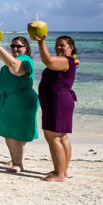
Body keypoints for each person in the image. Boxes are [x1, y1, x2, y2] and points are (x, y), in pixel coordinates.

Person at [31, 34, 78, 182]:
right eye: (57, 44)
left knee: (53, 137)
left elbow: (48, 61)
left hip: (58, 101)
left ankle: (60, 174)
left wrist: (41, 41)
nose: (58, 47)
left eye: (62, 45)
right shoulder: (67, 60)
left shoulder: (65, 60)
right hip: (59, 101)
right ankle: (62, 170)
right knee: (61, 136)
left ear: (71, 48)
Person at [0, 36, 39, 173]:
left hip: (20, 99)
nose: (15, 48)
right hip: (13, 98)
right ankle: (19, 160)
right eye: (12, 46)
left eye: (19, 46)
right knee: (20, 132)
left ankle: (17, 164)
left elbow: (15, 68)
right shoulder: (16, 60)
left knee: (12, 133)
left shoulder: (25, 60)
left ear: (26, 48)